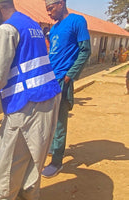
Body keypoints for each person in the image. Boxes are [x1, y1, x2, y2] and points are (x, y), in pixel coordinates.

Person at [0, 0, 61, 199]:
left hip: (27, 102)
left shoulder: (6, 29)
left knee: (9, 163)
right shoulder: (31, 24)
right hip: (48, 96)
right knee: (34, 159)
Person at [41, 0, 91, 178]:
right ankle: (54, 148)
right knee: (50, 118)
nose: (48, 13)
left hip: (63, 79)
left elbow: (85, 50)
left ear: (61, 3)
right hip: (50, 79)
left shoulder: (77, 21)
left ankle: (56, 162)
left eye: (50, 8)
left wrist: (70, 74)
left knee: (60, 121)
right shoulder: (54, 28)